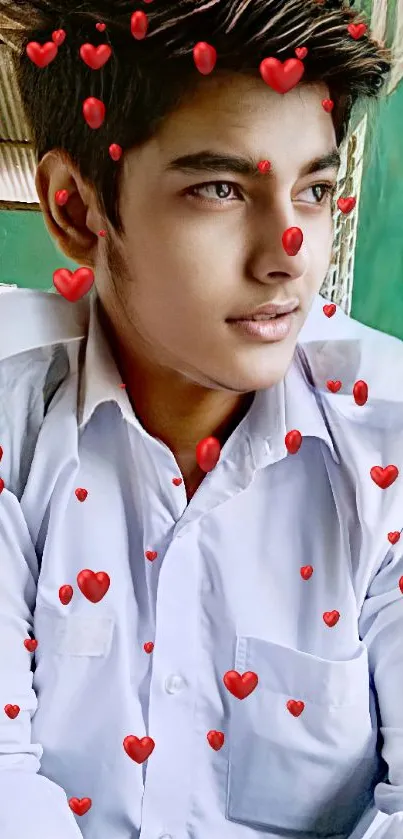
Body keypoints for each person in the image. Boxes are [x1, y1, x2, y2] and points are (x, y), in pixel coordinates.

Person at [0, 0, 403, 837]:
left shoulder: (385, 439)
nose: (287, 253)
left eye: (315, 190)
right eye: (220, 189)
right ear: (76, 210)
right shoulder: (15, 424)